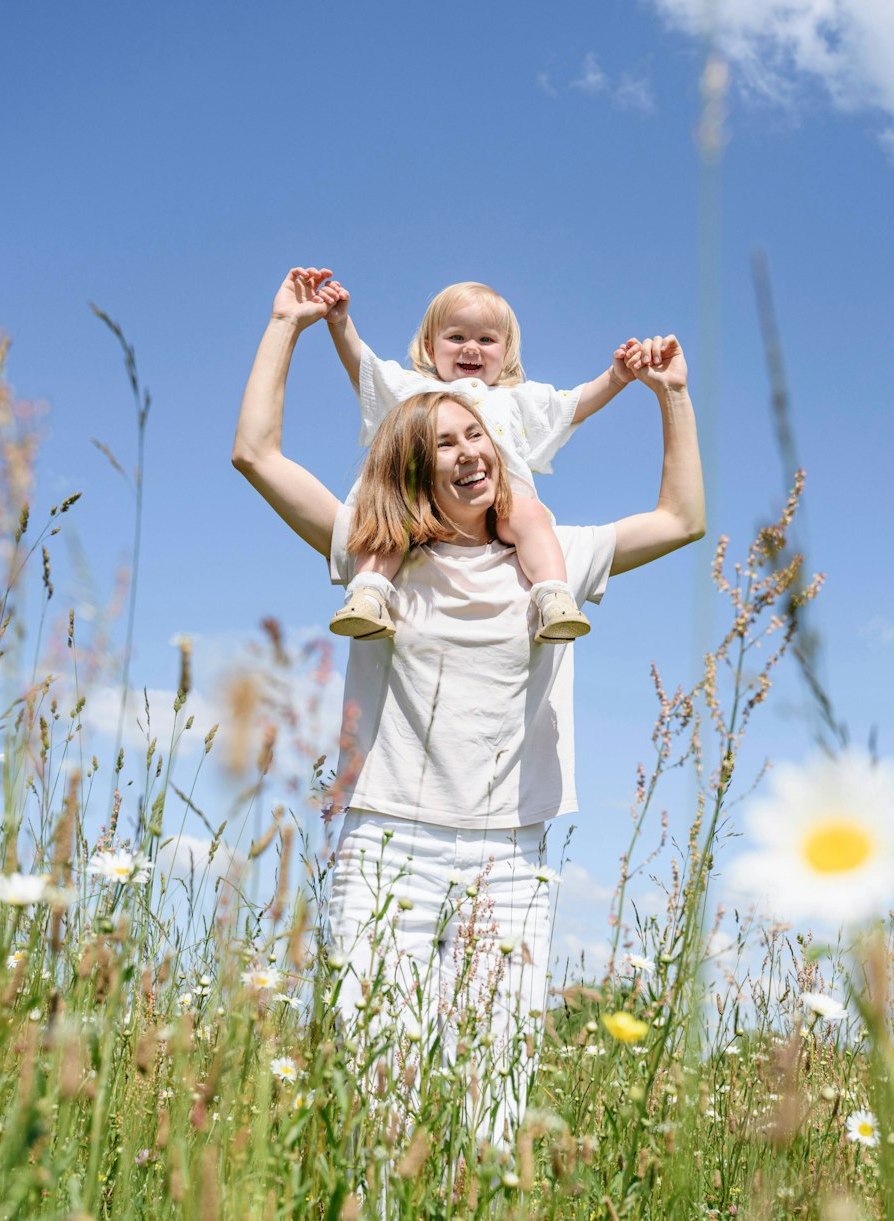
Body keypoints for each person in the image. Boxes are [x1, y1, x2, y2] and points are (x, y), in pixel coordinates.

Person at [230, 267, 704, 1150]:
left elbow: (680, 518)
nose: (469, 450)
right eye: (444, 441)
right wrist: (285, 324)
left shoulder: (554, 557)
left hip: (507, 861)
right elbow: (257, 455)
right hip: (385, 849)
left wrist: (671, 396)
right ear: (414, 463)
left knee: (492, 1112)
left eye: (477, 432)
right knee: (378, 1108)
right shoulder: (377, 556)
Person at [312, 273, 642, 645]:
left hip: (495, 507)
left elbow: (570, 406)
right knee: (387, 522)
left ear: (507, 351)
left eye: (486, 339)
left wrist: (616, 377)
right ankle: (368, 594)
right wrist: (340, 324)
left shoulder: (514, 399)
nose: (472, 348)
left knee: (531, 515)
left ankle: (554, 596)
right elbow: (365, 368)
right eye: (457, 337)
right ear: (429, 347)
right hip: (419, 501)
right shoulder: (415, 389)